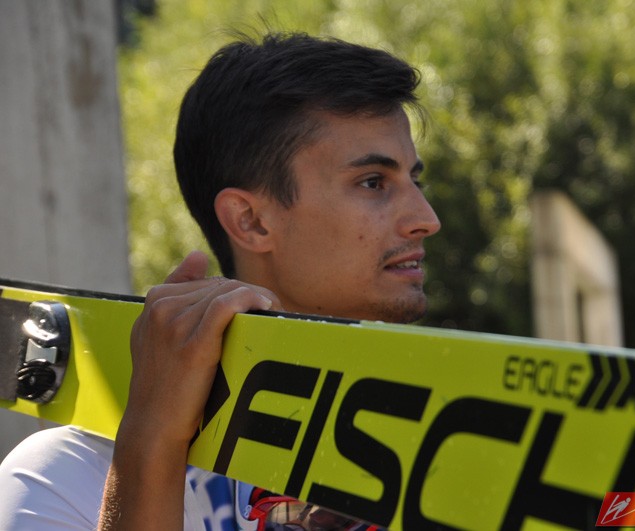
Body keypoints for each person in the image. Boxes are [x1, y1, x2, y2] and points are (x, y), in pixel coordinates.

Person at [0, 31, 440, 530]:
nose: (426, 219)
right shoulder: (62, 477)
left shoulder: (448, 458)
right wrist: (153, 439)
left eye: (415, 179)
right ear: (251, 221)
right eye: (373, 182)